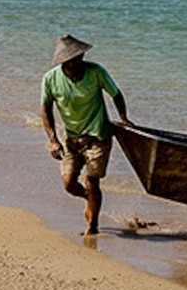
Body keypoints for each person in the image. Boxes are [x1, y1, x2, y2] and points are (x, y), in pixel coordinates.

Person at [39, 33, 130, 234]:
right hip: (71, 138)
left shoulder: (96, 72)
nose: (76, 62)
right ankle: (89, 198)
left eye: (79, 57)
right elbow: (46, 109)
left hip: (98, 137)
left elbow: (115, 94)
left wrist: (123, 118)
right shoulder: (50, 79)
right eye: (71, 60)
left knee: (92, 180)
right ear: (63, 61)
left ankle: (92, 226)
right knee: (69, 184)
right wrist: (53, 140)